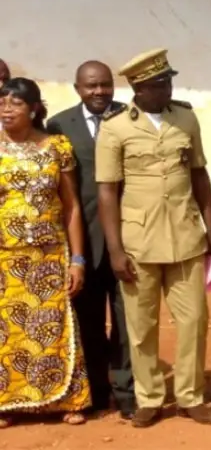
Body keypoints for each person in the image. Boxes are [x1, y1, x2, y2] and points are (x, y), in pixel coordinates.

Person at [96, 48, 211, 428]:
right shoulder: (115, 127)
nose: (167, 88)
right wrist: (115, 249)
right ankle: (149, 397)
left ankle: (190, 395)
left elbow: (199, 174)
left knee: (194, 319)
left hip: (184, 236)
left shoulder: (185, 119)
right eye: (158, 83)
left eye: (168, 81)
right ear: (138, 87)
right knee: (141, 324)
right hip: (139, 241)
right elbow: (107, 191)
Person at [0, 78, 91, 428]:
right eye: (3, 102)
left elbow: (71, 208)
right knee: (9, 334)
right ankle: (9, 403)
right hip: (5, 257)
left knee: (54, 329)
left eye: (16, 103)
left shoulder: (57, 146)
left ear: (35, 108)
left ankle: (69, 400)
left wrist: (78, 260)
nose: (7, 109)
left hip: (49, 255)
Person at [47, 61, 135, 418]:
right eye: (91, 86)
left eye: (106, 85)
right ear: (78, 88)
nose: (100, 92)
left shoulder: (132, 118)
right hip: (82, 239)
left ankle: (127, 392)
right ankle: (96, 390)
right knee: (88, 321)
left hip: (128, 236)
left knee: (128, 320)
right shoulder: (59, 125)